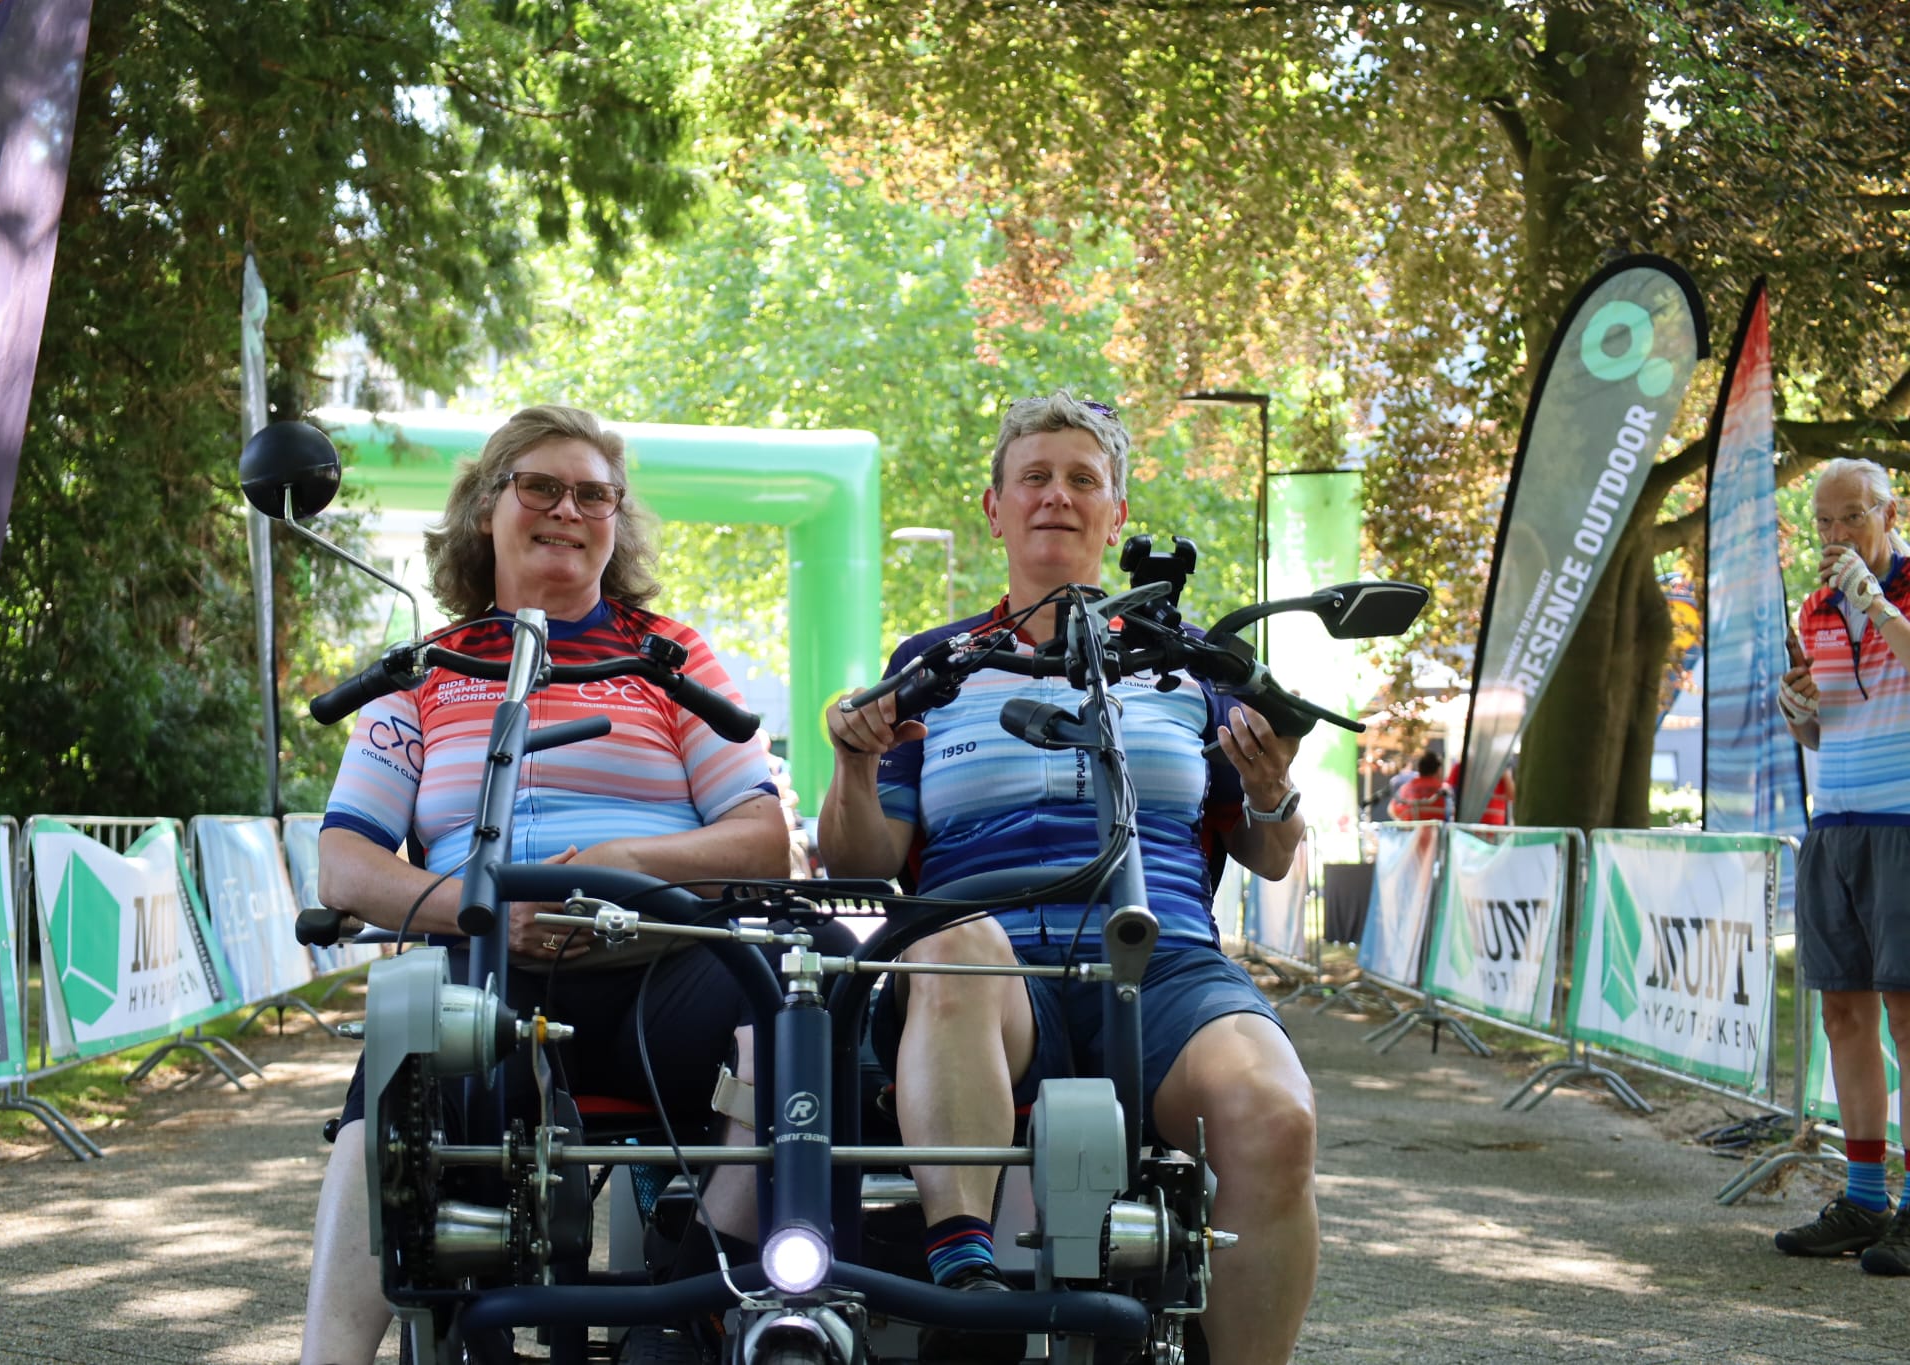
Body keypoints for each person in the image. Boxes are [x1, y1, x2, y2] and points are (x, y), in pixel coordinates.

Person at [819, 392, 1316, 1365]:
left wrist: (1271, 790)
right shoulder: (931, 663)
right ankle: (965, 1276)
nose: (1056, 495)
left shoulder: (1192, 669)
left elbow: (1268, 851)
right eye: (1033, 477)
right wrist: (850, 765)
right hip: (987, 963)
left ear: (1116, 513)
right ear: (993, 507)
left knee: (1276, 1115)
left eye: (1081, 479)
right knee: (952, 937)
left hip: (1161, 960)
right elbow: (859, 864)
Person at [301, 405, 793, 1364]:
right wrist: (484, 909)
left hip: (666, 960)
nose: (569, 509)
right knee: (393, 1077)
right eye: (540, 487)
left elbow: (764, 838)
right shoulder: (427, 670)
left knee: (788, 1021)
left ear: (617, 523)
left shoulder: (669, 655)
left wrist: (628, 866)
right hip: (488, 963)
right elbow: (345, 864)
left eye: (594, 494)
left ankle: (683, 1306)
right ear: (487, 509)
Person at [1774, 456, 1910, 1276]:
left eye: (1851, 516)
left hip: (1906, 824)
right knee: (1844, 1016)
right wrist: (1801, 712)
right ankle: (1864, 1196)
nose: (1835, 535)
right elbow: (1829, 730)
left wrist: (1877, 600)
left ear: (1890, 510)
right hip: (1838, 823)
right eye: (1823, 521)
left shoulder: (1883, 590)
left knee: (1907, 1013)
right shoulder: (1818, 605)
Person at [1444, 759, 1515, 826]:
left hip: (1494, 830)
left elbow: (1512, 796)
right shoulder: (1462, 766)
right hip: (1469, 827)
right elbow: (1448, 788)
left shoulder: (1500, 769)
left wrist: (1506, 775)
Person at [1387, 751, 1452, 822]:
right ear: (1438, 770)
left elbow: (1392, 810)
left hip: (1411, 831)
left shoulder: (1405, 788)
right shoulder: (1444, 788)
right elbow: (1452, 811)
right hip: (1438, 831)